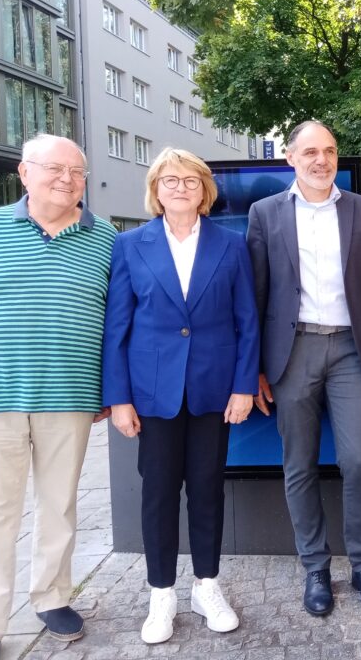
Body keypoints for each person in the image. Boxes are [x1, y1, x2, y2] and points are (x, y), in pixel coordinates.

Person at [0, 135, 116, 660]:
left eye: (78, 171)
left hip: (70, 397)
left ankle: (50, 597)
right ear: (24, 173)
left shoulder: (107, 241)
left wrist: (110, 391)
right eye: (54, 169)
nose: (68, 179)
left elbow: (119, 323)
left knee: (59, 507)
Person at [102, 148, 260, 644]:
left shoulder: (232, 245)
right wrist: (120, 398)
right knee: (158, 493)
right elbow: (117, 328)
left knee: (208, 490)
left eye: (190, 180)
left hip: (214, 391)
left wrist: (242, 386)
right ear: (155, 190)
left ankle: (206, 586)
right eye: (169, 180)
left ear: (205, 190)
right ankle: (161, 594)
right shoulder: (130, 246)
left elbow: (247, 322)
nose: (180, 188)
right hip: (153, 394)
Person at [246, 120, 361, 616]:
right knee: (299, 464)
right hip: (292, 353)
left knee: (359, 459)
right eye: (310, 151)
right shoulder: (264, 213)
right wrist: (256, 369)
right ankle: (315, 567)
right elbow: (256, 297)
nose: (321, 159)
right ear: (290, 158)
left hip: (353, 351)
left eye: (330, 150)